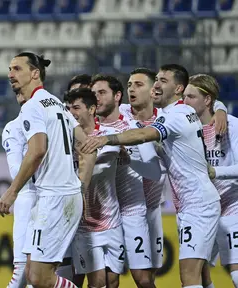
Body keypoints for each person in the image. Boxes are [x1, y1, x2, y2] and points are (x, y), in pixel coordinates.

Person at [82, 64, 221, 288]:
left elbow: (145, 133)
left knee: (189, 275)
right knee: (202, 276)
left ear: (178, 89)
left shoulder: (176, 115)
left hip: (197, 204)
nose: (156, 85)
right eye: (156, 79)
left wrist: (107, 139)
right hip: (191, 204)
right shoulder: (177, 112)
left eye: (163, 81)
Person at [0, 52, 97, 288]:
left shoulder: (32, 106)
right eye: (10, 69)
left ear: (35, 73)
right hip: (60, 195)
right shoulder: (57, 104)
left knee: (39, 278)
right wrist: (79, 186)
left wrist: (11, 192)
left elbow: (37, 150)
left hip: (54, 197)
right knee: (34, 274)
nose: (11, 74)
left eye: (17, 69)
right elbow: (88, 147)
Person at [91, 74, 161, 288]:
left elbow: (155, 172)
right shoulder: (89, 130)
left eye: (102, 93)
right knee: (107, 280)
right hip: (103, 214)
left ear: (117, 96)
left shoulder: (134, 128)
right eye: (93, 94)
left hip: (132, 212)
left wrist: (128, 160)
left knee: (143, 279)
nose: (97, 98)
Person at [66, 88, 125, 288]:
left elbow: (103, 165)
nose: (71, 113)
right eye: (68, 108)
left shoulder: (108, 135)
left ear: (91, 109)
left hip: (112, 220)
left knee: (113, 281)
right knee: (97, 281)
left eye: (76, 107)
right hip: (84, 226)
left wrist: (85, 158)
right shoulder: (66, 140)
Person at [183, 74, 238, 288]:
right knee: (199, 277)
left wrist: (214, 172)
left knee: (235, 274)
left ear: (207, 101)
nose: (184, 102)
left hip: (231, 207)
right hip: (201, 210)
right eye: (184, 96)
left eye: (190, 97)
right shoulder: (186, 127)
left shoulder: (231, 125)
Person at [2, 91, 37, 288]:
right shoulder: (12, 128)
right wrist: (37, 154)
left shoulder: (52, 124)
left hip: (53, 199)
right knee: (23, 271)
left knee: (44, 272)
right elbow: (16, 171)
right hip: (28, 198)